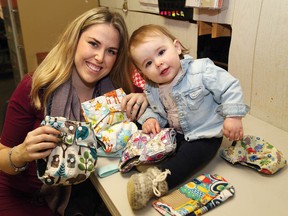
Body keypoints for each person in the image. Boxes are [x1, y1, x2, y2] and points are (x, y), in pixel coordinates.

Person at [0, 7, 148, 216]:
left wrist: (145, 98)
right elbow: (2, 156)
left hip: (80, 194)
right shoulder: (35, 87)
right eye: (93, 44)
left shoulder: (115, 90)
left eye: (111, 51)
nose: (99, 57)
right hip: (23, 194)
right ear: (74, 40)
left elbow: (154, 100)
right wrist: (22, 153)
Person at [126, 24, 250, 210]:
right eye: (148, 63)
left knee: (190, 158)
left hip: (204, 135)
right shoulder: (152, 89)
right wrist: (151, 119)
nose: (158, 63)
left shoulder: (201, 70)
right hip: (177, 132)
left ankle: (155, 182)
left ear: (176, 47)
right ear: (143, 74)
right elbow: (158, 111)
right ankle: (145, 160)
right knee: (147, 131)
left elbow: (229, 87)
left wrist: (233, 116)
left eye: (161, 52)